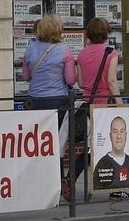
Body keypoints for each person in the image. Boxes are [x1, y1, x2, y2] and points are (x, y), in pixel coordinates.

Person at [67, 18, 123, 199]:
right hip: (105, 106)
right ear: (106, 33)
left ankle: (71, 179)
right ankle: (113, 188)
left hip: (89, 105)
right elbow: (112, 81)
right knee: (108, 147)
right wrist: (121, 104)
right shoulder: (111, 53)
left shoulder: (82, 54)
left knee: (95, 147)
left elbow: (81, 83)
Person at [22, 15, 76, 193]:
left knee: (37, 143)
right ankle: (58, 182)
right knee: (55, 144)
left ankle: (36, 182)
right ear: (57, 30)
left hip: (34, 102)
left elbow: (26, 76)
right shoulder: (64, 50)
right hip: (57, 102)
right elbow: (70, 79)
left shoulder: (30, 48)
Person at [93, 116, 129, 190]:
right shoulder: (102, 163)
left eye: (122, 131)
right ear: (110, 136)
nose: (119, 136)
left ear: (126, 135)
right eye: (115, 131)